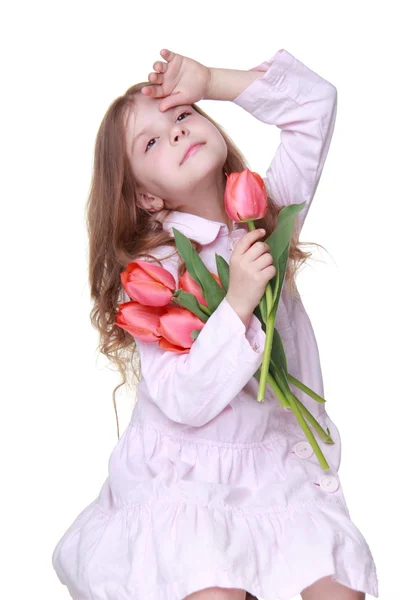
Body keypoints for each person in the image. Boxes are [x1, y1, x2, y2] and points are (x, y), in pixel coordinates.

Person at [51, 48, 379, 600]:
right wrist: (238, 303)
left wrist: (211, 80)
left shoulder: (266, 216)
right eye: (151, 142)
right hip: (186, 475)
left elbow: (314, 106)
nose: (177, 133)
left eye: (182, 114)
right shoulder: (153, 274)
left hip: (278, 464)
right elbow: (182, 397)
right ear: (147, 196)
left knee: (338, 589)